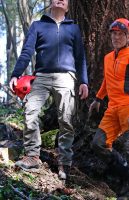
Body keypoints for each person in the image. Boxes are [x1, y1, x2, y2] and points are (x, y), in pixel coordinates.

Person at [9, 0, 88, 180]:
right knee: (30, 112)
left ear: (68, 6)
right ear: (51, 3)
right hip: (42, 76)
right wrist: (16, 74)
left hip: (67, 77)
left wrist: (83, 81)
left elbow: (80, 57)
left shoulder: (73, 28)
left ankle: (65, 163)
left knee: (66, 119)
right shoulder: (38, 25)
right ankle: (32, 156)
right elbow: (27, 51)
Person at [89, 18, 129, 199]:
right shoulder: (107, 58)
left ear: (128, 37)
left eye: (121, 34)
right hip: (112, 109)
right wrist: (98, 98)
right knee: (98, 143)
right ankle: (123, 174)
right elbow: (107, 81)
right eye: (114, 33)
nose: (117, 37)